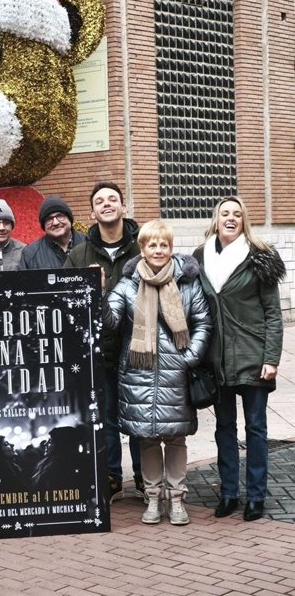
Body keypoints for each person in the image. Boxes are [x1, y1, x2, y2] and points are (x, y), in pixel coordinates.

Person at [104, 220, 212, 525]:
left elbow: (204, 322)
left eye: (163, 244)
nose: (158, 250)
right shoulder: (126, 286)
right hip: (139, 374)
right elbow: (110, 323)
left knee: (176, 439)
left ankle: (177, 499)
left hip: (176, 374)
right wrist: (98, 294)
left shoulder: (188, 283)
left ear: (171, 247)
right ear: (142, 249)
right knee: (147, 439)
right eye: (152, 244)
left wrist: (189, 357)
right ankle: (152, 498)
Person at [193, 196, 285, 522]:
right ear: (216, 219)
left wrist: (271, 357)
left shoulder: (259, 258)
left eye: (237, 214)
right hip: (216, 359)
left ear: (244, 220)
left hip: (253, 355)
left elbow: (273, 313)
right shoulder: (200, 257)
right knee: (224, 428)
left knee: (256, 428)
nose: (230, 218)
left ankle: (256, 497)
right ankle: (229, 493)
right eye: (225, 213)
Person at [65, 182, 143, 501]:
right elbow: (65, 301)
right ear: (92, 212)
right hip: (98, 350)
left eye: (113, 199)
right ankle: (112, 476)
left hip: (138, 349)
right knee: (108, 417)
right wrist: (89, 290)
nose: (107, 204)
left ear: (124, 207)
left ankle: (143, 477)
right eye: (100, 201)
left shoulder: (143, 247)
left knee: (138, 415)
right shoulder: (80, 254)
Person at [19, 195, 85, 269]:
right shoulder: (30, 254)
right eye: (49, 219)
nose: (55, 223)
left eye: (60, 216)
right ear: (44, 225)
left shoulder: (91, 244)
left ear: (69, 218)